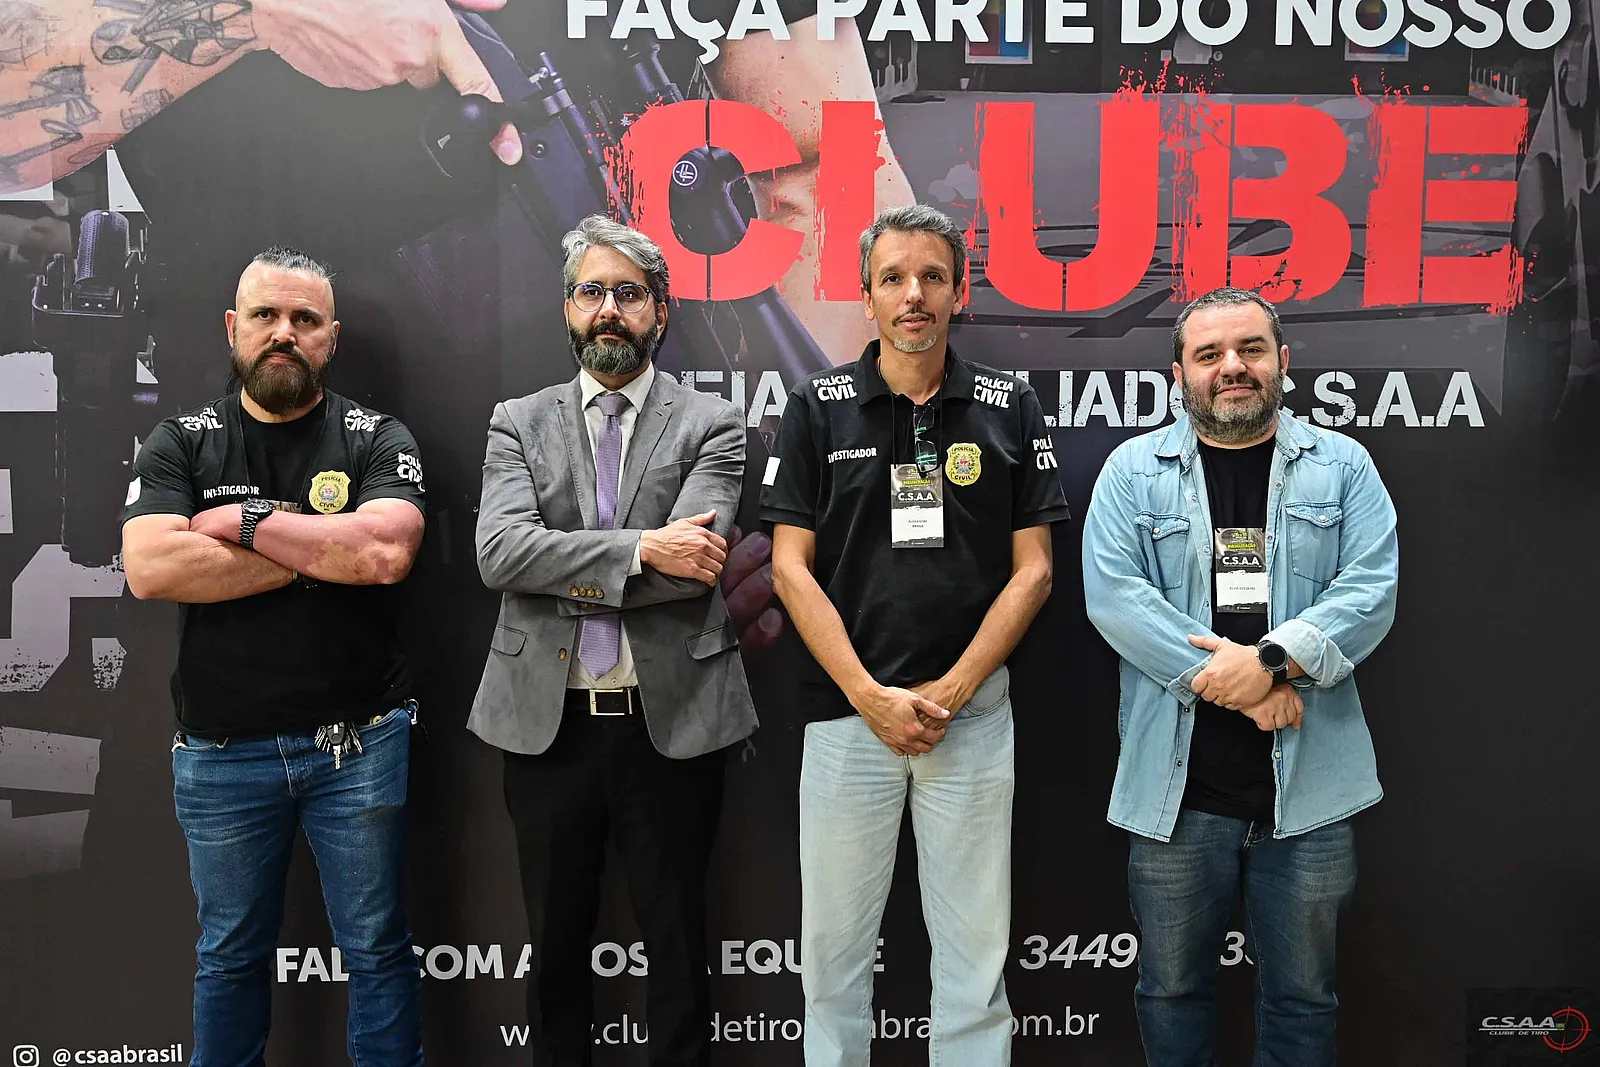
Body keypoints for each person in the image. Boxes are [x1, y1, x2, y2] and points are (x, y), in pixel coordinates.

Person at [762, 203, 1071, 1066]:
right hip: (846, 719)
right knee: (831, 963)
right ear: (865, 295)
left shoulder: (1010, 404)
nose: (913, 295)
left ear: (959, 292)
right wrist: (870, 696)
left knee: (974, 964)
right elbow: (789, 568)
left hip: (969, 719)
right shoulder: (816, 405)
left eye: (932, 276)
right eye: (893, 277)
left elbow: (1036, 571)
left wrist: (954, 688)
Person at [119, 246, 430, 1066]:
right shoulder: (181, 440)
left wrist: (244, 521)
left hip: (358, 742)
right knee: (229, 958)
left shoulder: (376, 435)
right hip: (222, 751)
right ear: (234, 327)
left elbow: (384, 555)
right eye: (265, 315)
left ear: (332, 336)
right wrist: (322, 549)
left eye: (304, 318)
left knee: (377, 948)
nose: (283, 332)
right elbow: (152, 567)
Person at [1081, 285, 1399, 1067]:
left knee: (1304, 997)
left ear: (1282, 361)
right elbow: (1115, 597)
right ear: (1179, 373)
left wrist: (1268, 662)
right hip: (1178, 796)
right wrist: (1240, 684)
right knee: (1170, 991)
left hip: (1311, 794)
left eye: (1251, 349)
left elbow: (1370, 590)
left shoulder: (1344, 467)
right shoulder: (1132, 473)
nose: (1233, 366)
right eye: (1210, 353)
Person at [469, 214, 757, 1067]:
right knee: (555, 949)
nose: (608, 309)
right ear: (566, 307)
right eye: (590, 291)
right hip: (547, 724)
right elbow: (499, 553)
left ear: (660, 312)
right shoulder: (517, 421)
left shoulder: (712, 422)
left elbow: (694, 568)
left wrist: (570, 561)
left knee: (679, 949)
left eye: (628, 294)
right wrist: (638, 550)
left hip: (672, 722)